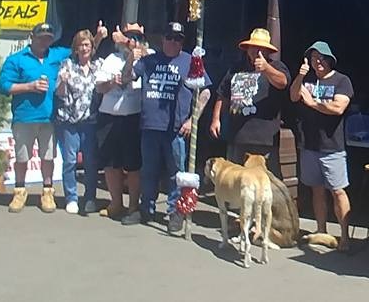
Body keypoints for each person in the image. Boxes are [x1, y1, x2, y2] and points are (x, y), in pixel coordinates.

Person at [133, 21, 212, 234]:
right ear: (163, 39)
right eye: (169, 37)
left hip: (176, 128)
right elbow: (128, 76)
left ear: (182, 42)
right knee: (148, 171)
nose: (172, 42)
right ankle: (145, 210)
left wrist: (192, 120)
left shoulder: (190, 61)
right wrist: (130, 54)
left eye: (177, 38)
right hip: (150, 125)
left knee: (175, 173)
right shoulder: (149, 60)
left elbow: (205, 91)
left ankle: (174, 213)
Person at [0, 23, 69, 213]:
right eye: (41, 37)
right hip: (24, 117)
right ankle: (20, 191)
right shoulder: (17, 59)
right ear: (32, 37)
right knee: (22, 157)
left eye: (48, 37)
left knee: (48, 157)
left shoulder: (56, 55)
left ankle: (47, 192)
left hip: (50, 117)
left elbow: (81, 51)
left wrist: (99, 38)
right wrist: (30, 87)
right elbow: (3, 86)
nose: (45, 40)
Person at [290, 40, 354, 251]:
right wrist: (300, 75)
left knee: (338, 191)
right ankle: (321, 230)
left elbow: (338, 108)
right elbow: (292, 95)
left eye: (321, 58)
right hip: (309, 144)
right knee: (316, 190)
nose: (317, 62)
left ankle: (345, 237)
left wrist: (313, 103)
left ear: (329, 60)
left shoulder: (341, 80)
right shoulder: (307, 81)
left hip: (332, 147)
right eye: (313, 58)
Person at [210, 27, 291, 178]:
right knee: (235, 179)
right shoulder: (236, 68)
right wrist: (216, 119)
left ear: (267, 51)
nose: (256, 51)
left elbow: (283, 82)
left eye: (261, 48)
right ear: (247, 49)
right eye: (253, 47)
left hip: (263, 138)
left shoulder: (276, 66)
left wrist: (266, 69)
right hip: (237, 135)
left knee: (264, 183)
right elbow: (223, 94)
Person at [94, 22, 148, 225]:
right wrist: (111, 84)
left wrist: (127, 42)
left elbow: (142, 49)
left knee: (133, 165)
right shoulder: (111, 59)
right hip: (109, 117)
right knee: (110, 164)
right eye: (129, 37)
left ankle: (133, 205)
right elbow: (99, 88)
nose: (132, 42)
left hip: (133, 118)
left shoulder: (146, 56)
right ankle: (116, 203)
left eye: (137, 38)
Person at [54, 23, 109, 214]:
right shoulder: (67, 65)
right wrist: (62, 80)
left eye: (87, 45)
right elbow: (60, 94)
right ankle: (71, 197)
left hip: (90, 121)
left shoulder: (98, 66)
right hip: (69, 121)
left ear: (92, 48)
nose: (84, 48)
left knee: (91, 161)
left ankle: (90, 197)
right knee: (69, 160)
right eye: (81, 45)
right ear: (76, 48)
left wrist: (100, 36)